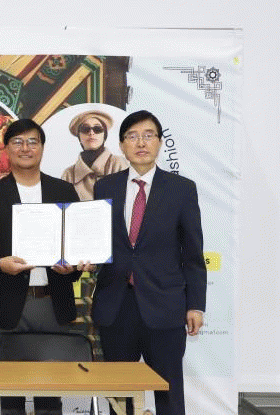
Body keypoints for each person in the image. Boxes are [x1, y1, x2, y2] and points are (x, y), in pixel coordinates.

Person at [0, 118, 92, 415]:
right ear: (7, 149)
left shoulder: (63, 191)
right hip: (9, 304)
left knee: (49, 395)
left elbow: (79, 246)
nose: (26, 148)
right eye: (18, 142)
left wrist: (73, 268)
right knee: (9, 396)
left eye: (32, 142)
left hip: (53, 303)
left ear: (42, 148)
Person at [92, 110, 206, 415]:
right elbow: (97, 241)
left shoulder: (182, 189)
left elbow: (193, 254)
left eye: (148, 135)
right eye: (132, 136)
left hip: (165, 305)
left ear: (159, 142)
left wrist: (195, 305)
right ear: (121, 145)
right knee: (120, 396)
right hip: (117, 305)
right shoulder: (105, 187)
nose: (140, 143)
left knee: (168, 393)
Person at [61, 109, 129, 200]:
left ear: (104, 135)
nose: (91, 133)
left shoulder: (119, 164)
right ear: (79, 137)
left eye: (97, 129)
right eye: (85, 129)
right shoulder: (68, 174)